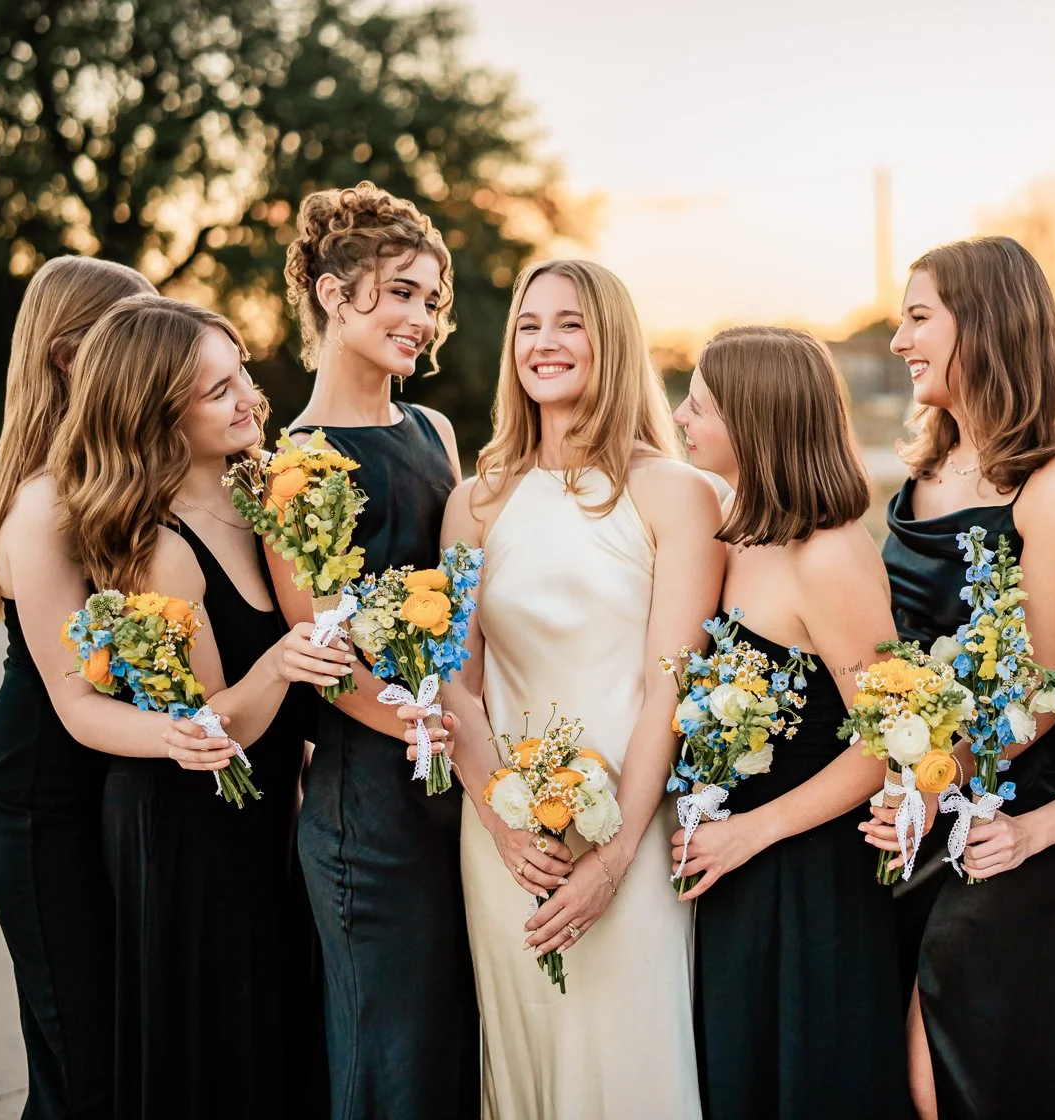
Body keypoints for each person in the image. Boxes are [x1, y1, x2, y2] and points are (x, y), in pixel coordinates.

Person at [405, 259, 719, 1118]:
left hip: (636, 836)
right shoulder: (475, 503)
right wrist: (506, 828)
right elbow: (455, 687)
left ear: (610, 338)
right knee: (526, 1059)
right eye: (529, 324)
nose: (545, 342)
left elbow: (671, 690)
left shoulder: (676, 494)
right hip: (505, 840)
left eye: (570, 323)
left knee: (631, 1059)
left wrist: (615, 860)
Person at [48, 294, 347, 1118]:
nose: (250, 395)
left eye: (242, 371)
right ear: (158, 414)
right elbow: (218, 726)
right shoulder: (160, 549)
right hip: (190, 830)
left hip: (261, 826)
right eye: (219, 391)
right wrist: (286, 665)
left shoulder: (258, 499)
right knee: (220, 1052)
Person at [863, 236, 1055, 1118]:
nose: (900, 340)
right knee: (889, 1051)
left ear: (988, 326)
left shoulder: (1054, 488)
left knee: (954, 1065)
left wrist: (940, 777)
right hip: (911, 806)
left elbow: (1043, 690)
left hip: (1005, 816)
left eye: (919, 317)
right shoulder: (922, 471)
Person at [668, 325, 909, 1119]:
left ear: (755, 420)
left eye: (698, 405)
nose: (679, 417)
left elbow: (888, 742)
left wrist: (749, 832)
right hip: (739, 871)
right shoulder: (737, 529)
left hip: (812, 883)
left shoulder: (828, 556)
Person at [273, 182, 477, 1119]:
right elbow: (327, 654)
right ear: (331, 292)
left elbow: (469, 591)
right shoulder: (292, 462)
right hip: (370, 802)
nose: (420, 319)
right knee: (385, 1049)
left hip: (456, 781)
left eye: (431, 300)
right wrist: (430, 730)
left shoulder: (433, 430)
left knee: (451, 1040)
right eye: (399, 292)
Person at [0, 255, 155, 1120]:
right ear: (74, 357)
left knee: (110, 1048)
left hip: (103, 790)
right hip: (40, 801)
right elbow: (82, 696)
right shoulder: (45, 506)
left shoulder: (111, 475)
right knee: (83, 1064)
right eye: (135, 336)